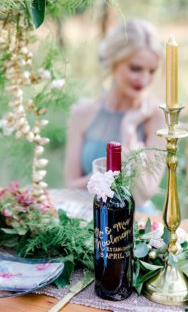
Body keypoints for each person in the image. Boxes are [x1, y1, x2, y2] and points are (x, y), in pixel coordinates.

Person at [65, 18, 165, 205]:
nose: (144, 79)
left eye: (152, 71)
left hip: (134, 222)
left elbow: (143, 194)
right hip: (88, 217)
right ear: (113, 60)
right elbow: (70, 185)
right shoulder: (81, 113)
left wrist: (129, 129)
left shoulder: (157, 116)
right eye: (136, 68)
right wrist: (105, 179)